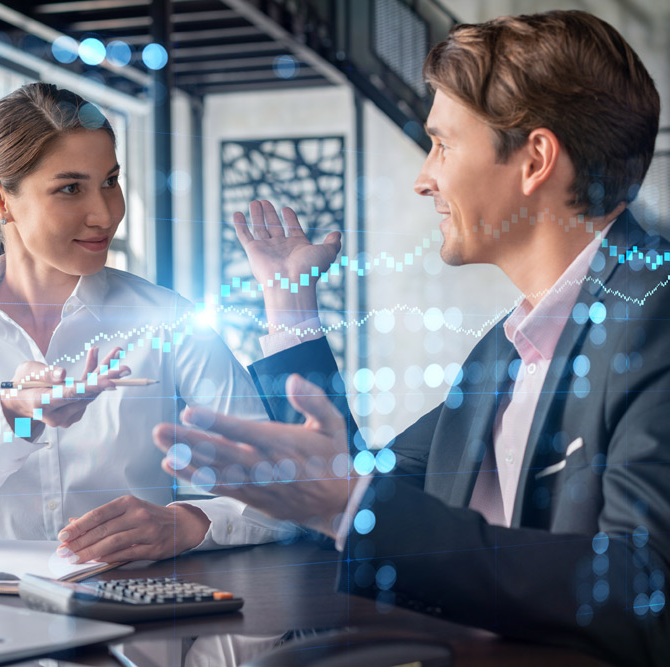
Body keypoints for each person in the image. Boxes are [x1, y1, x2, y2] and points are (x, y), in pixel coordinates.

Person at [154, 11, 668, 666]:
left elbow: (643, 587)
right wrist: (291, 303)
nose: (424, 176)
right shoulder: (504, 352)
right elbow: (360, 486)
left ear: (535, 159)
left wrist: (353, 501)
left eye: (443, 144)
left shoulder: (655, 318)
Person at [0, 83, 290, 562]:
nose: (106, 213)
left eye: (110, 181)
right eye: (70, 189)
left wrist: (185, 523)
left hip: (142, 617)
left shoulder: (167, 320)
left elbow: (284, 492)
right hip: (5, 620)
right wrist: (9, 416)